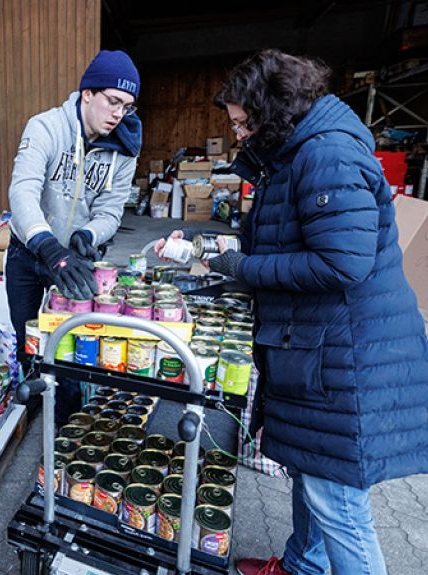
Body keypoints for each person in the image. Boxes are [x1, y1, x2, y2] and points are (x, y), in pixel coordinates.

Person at [158, 49, 428, 575]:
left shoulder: (326, 155)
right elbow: (288, 236)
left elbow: (340, 262)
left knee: (339, 505)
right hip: (322, 346)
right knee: (313, 472)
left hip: (346, 357)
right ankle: (303, 566)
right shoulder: (296, 153)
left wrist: (243, 268)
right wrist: (215, 252)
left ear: (272, 113)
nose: (236, 134)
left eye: (242, 123)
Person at [6, 49, 142, 423]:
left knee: (67, 347)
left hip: (74, 258)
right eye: (113, 101)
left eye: (127, 106)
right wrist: (46, 244)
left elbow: (112, 209)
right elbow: (23, 192)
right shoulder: (46, 127)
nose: (119, 114)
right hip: (29, 250)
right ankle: (36, 403)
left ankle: (66, 426)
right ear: (87, 94)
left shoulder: (125, 147)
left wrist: (89, 233)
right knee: (28, 340)